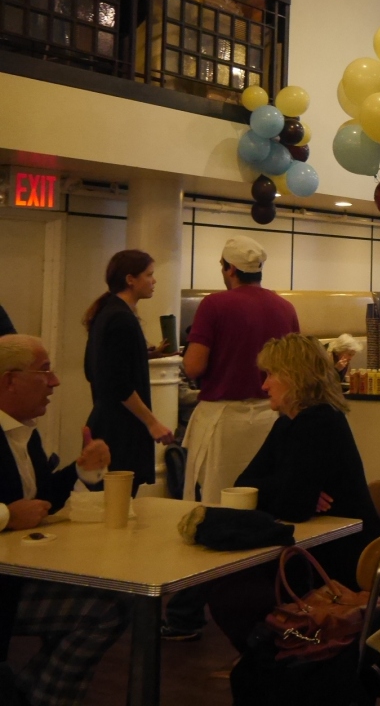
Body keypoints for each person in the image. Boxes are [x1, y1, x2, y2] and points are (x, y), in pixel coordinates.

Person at [207, 334, 380, 651]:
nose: (264, 385)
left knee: (230, 590)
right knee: (230, 582)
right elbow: (244, 483)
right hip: (322, 547)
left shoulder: (317, 424)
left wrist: (291, 490)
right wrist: (290, 485)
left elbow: (292, 507)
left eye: (271, 375)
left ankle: (274, 657)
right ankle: (272, 658)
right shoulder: (290, 423)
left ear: (294, 377)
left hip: (337, 561)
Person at [164, 236, 299, 642]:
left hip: (224, 421)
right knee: (261, 508)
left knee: (210, 510)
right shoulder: (285, 307)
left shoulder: (215, 305)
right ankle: (265, 601)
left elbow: (195, 365)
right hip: (270, 419)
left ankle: (186, 612)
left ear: (229, 268)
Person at [0, 334, 129, 706]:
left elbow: (40, 501)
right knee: (105, 609)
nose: (55, 381)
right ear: (10, 380)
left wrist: (82, 469)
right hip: (6, 587)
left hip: (16, 577)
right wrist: (7, 514)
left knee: (111, 601)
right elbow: (20, 510)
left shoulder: (24, 433)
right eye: (44, 371)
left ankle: (31, 694)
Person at [83, 250, 175, 494]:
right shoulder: (121, 319)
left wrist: (143, 356)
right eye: (149, 275)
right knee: (118, 501)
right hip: (120, 430)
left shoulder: (106, 313)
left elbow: (94, 369)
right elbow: (119, 383)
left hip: (106, 422)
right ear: (130, 279)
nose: (154, 280)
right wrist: (152, 422)